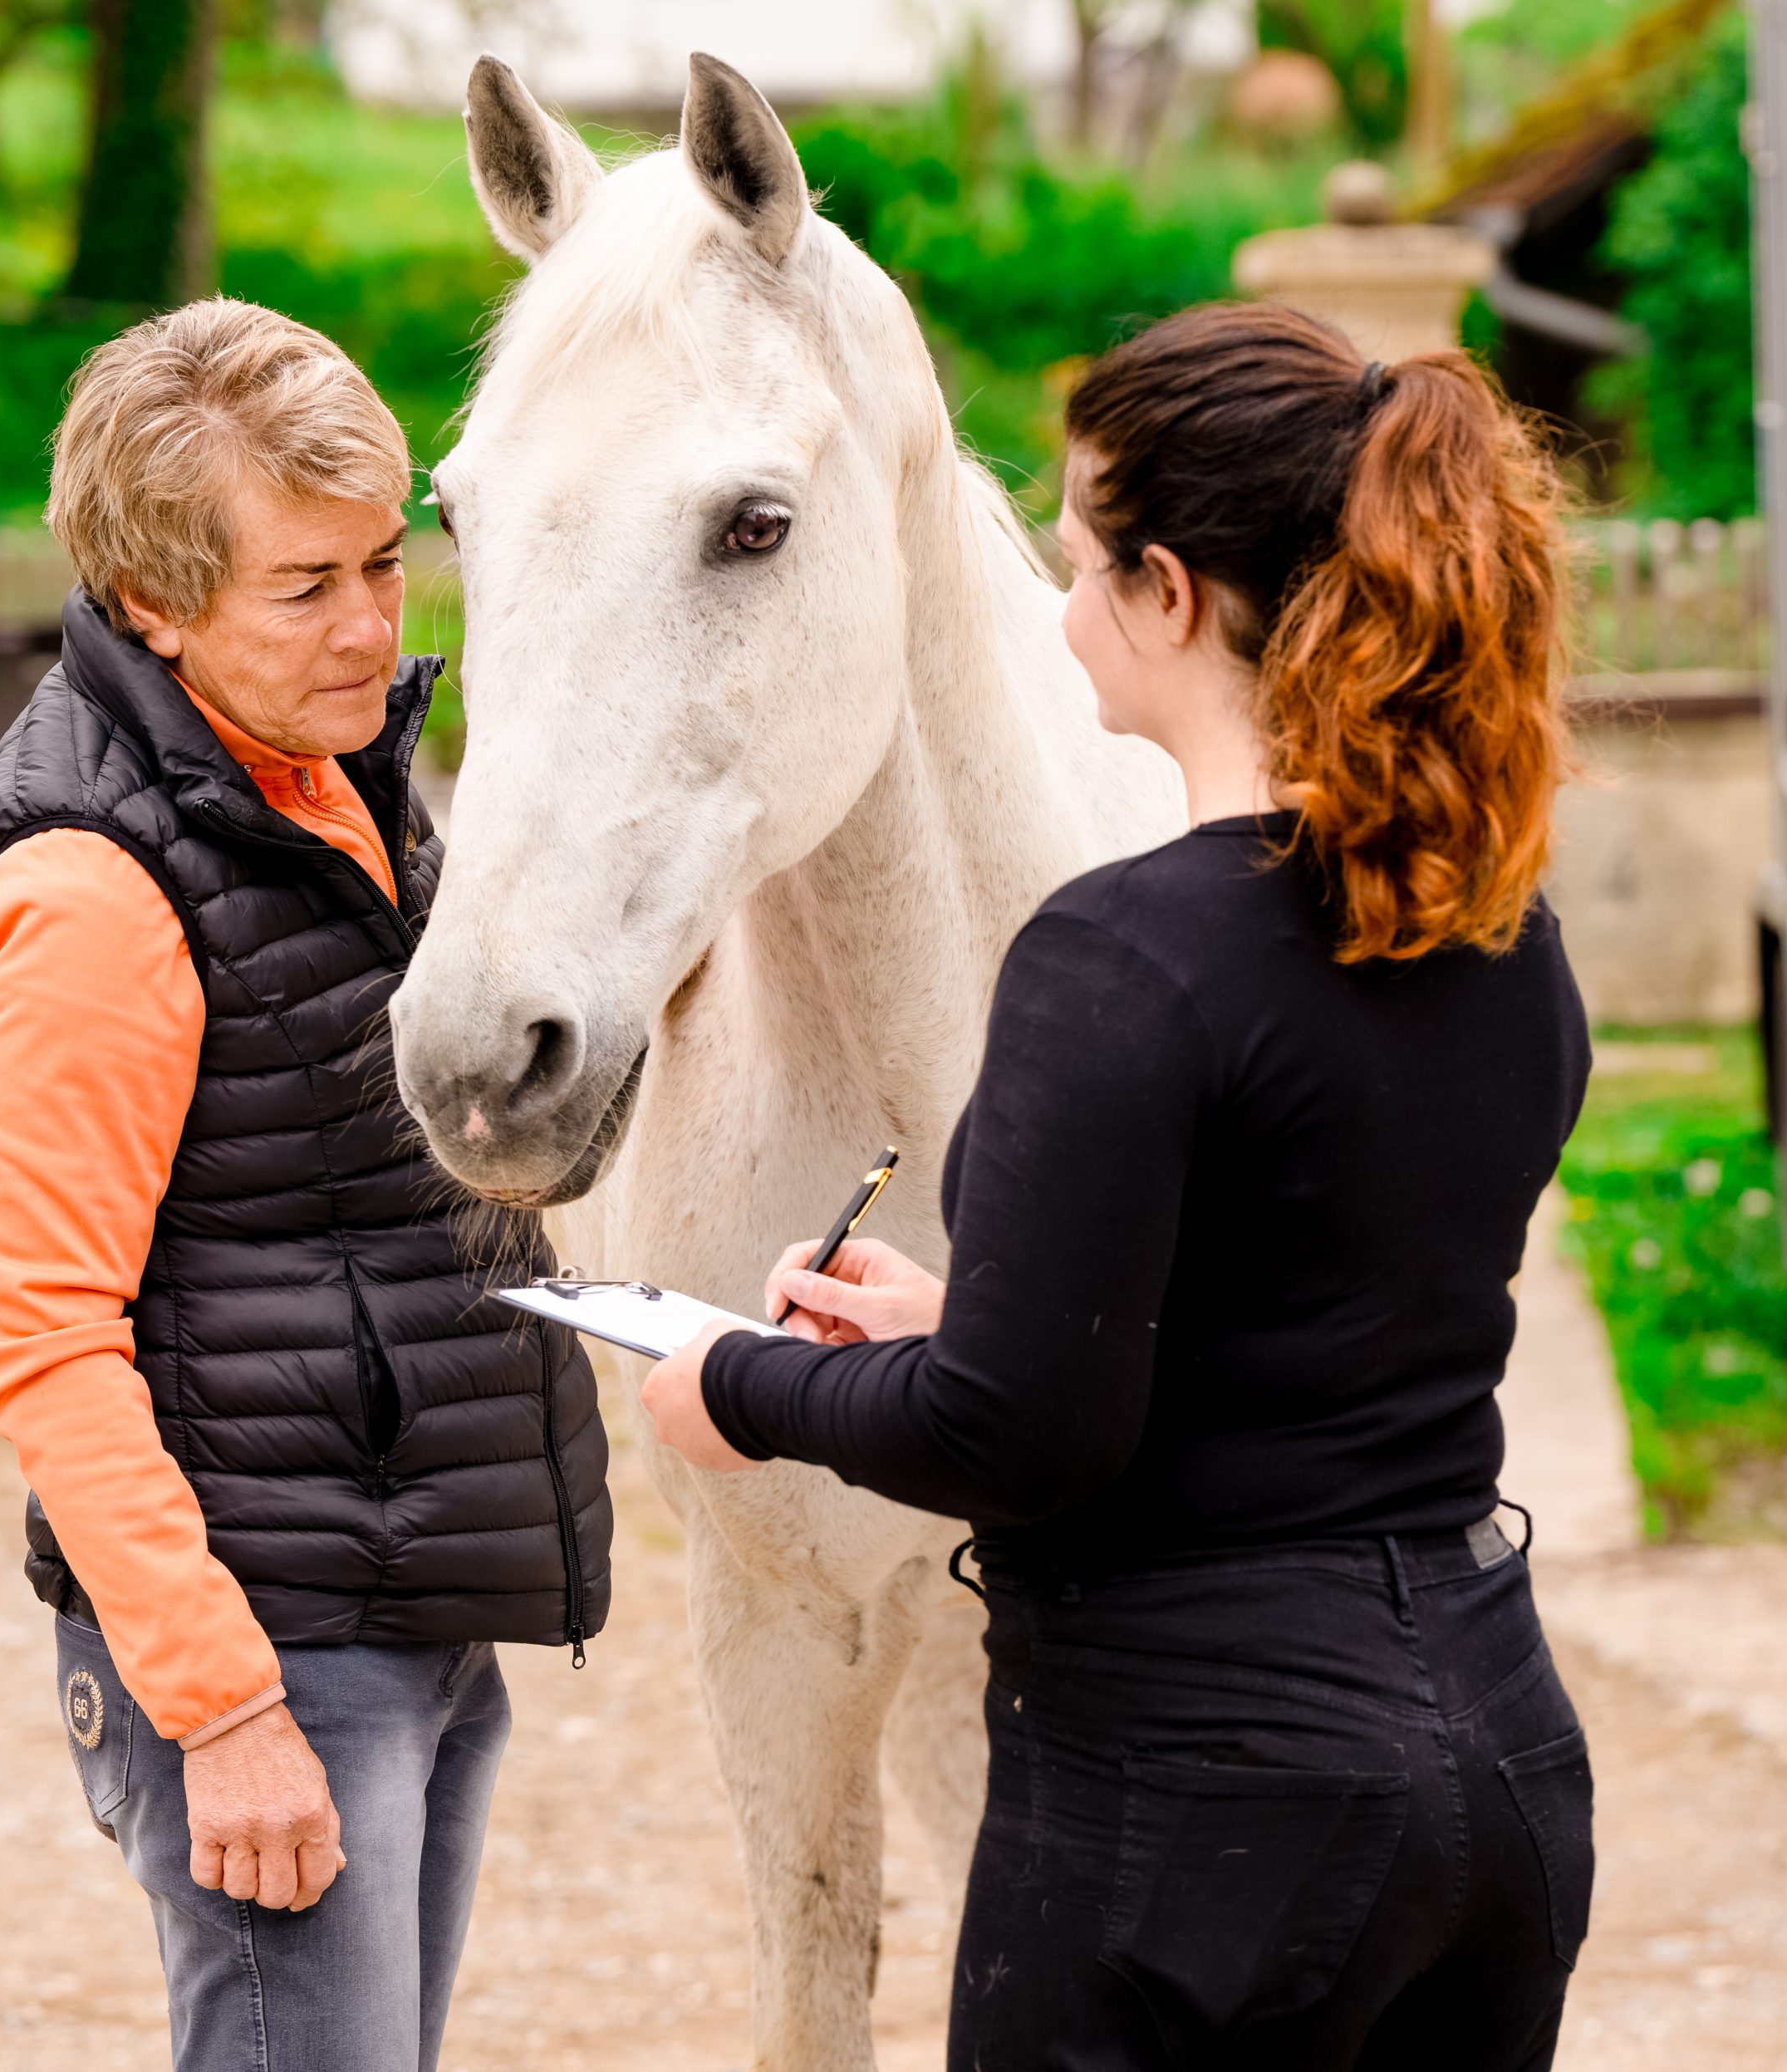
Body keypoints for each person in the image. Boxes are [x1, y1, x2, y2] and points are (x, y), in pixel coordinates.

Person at [642, 302, 1593, 2070]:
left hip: (1198, 1805)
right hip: (1494, 1758)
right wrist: (969, 1311)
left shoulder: (1119, 951)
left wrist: (741, 1383)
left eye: (1080, 563)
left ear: (1171, 595)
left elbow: (1015, 1438)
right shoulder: (1498, 924)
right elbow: (1309, 1320)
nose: (1056, 607)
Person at [0, 298, 611, 2071]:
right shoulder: (91, 892)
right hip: (260, 1648)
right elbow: (45, 1339)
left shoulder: (325, 776)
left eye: (386, 562)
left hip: (406, 1606)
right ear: (151, 600)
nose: (372, 624)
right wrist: (222, 1704)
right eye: (304, 585)